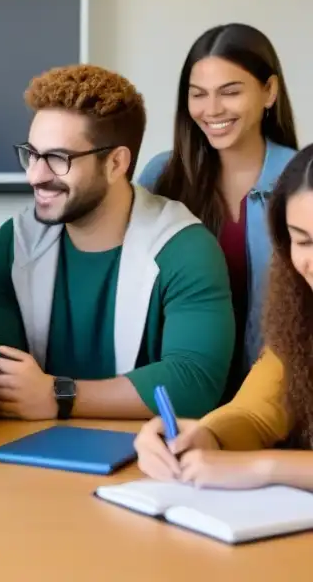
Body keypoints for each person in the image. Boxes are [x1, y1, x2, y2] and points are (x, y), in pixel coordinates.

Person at [0, 64, 235, 421]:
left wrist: (60, 395)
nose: (35, 175)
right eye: (31, 154)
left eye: (58, 159)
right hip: (27, 448)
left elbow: (193, 384)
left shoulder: (185, 248)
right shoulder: (14, 242)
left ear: (115, 163)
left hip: (147, 459)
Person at [134, 144, 313, 490]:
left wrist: (264, 467)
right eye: (303, 242)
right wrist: (206, 437)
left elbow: (260, 460)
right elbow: (255, 414)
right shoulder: (302, 324)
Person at [138, 23, 298, 397]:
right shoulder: (161, 176)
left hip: (276, 400)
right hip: (178, 397)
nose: (211, 110)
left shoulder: (300, 180)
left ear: (269, 91)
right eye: (198, 95)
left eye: (230, 92)